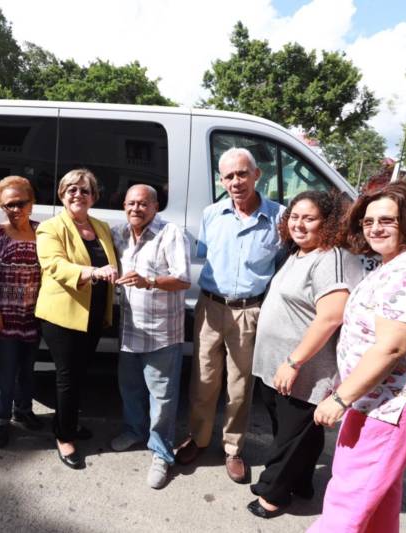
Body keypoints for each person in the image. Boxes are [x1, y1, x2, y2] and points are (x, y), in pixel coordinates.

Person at [309, 180, 406, 532]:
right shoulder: (396, 263)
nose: (375, 228)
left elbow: (392, 347)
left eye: (387, 220)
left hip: (392, 407)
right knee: (378, 497)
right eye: (368, 221)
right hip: (375, 401)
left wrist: (341, 399)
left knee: (347, 501)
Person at [247, 190, 364, 518]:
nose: (299, 224)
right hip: (275, 364)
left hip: (303, 367)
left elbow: (331, 315)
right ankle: (300, 482)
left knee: (292, 435)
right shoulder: (298, 252)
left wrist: (294, 361)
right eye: (294, 217)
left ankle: (274, 493)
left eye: (309, 218)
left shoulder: (330, 257)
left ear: (326, 223)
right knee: (297, 430)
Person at [175, 146, 285, 484]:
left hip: (250, 310)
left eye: (241, 173)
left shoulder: (280, 217)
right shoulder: (211, 214)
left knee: (240, 386)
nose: (235, 182)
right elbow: (206, 254)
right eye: (228, 176)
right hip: (210, 306)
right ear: (221, 180)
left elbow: (282, 265)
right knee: (203, 380)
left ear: (256, 175)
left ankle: (233, 449)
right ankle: (199, 438)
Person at [35, 168, 118, 470]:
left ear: (94, 196)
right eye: (71, 189)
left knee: (80, 374)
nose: (78, 194)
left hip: (93, 314)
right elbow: (54, 265)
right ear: (61, 194)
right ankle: (64, 436)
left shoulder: (102, 227)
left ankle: (67, 421)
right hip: (62, 315)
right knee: (67, 377)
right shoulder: (50, 228)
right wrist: (93, 273)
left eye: (85, 190)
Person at [110, 184, 191, 489]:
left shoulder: (171, 233)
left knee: (163, 397)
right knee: (130, 387)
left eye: (143, 204)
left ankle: (161, 452)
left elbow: (183, 279)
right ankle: (134, 431)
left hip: (161, 333)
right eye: (130, 203)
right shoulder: (119, 234)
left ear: (156, 206)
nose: (136, 209)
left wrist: (149, 281)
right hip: (130, 330)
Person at [0, 176, 43, 448]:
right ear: (1, 206)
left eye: (21, 203)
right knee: (4, 373)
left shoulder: (44, 233)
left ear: (32, 202)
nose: (16, 209)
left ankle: (24, 410)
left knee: (28, 370)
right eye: (9, 205)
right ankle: (0, 421)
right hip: (3, 316)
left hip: (33, 315)